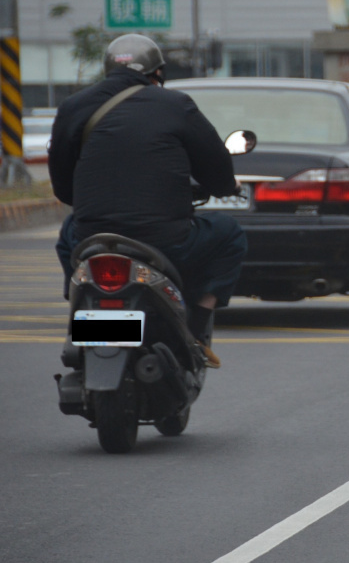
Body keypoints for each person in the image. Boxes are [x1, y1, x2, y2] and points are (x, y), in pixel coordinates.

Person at [49, 34, 247, 369]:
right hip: (165, 241)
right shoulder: (175, 105)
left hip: (92, 238)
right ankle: (197, 329)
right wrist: (225, 186)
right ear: (157, 74)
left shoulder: (73, 107)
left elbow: (63, 188)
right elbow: (217, 172)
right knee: (229, 234)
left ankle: (82, 309)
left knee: (68, 236)